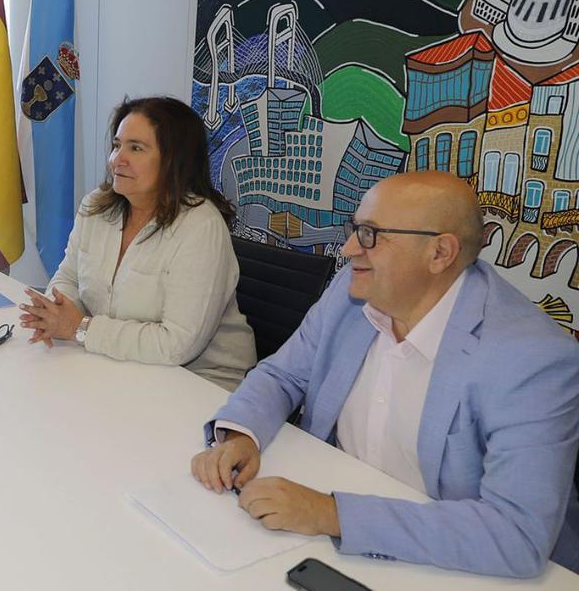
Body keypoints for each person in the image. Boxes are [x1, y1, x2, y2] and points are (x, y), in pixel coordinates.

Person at [190, 171, 579, 578]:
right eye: (355, 229)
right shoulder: (353, 289)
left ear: (439, 253)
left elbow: (515, 534)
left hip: (458, 564)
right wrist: (242, 434)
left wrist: (330, 514)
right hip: (329, 528)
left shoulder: (532, 359)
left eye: (371, 235)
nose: (349, 249)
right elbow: (282, 375)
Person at [19, 96, 256, 391]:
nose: (117, 159)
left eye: (136, 148)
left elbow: (177, 344)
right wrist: (57, 314)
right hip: (119, 365)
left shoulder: (200, 226)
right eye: (117, 145)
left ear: (173, 160)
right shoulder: (96, 206)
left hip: (202, 384)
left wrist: (80, 328)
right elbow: (69, 277)